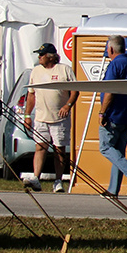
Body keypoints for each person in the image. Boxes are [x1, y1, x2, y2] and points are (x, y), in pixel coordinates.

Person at [25, 43, 77, 192]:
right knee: (40, 147)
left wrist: (67, 105)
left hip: (59, 118)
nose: (39, 58)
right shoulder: (35, 71)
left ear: (50, 56)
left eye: (41, 55)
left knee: (59, 149)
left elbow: (74, 91)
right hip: (41, 117)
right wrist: (27, 115)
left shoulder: (64, 70)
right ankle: (36, 177)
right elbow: (31, 94)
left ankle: (58, 180)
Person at [98, 35, 127, 197]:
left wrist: (102, 112)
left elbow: (110, 90)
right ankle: (113, 189)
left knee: (105, 147)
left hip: (113, 115)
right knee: (118, 152)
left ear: (110, 49)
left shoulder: (115, 65)